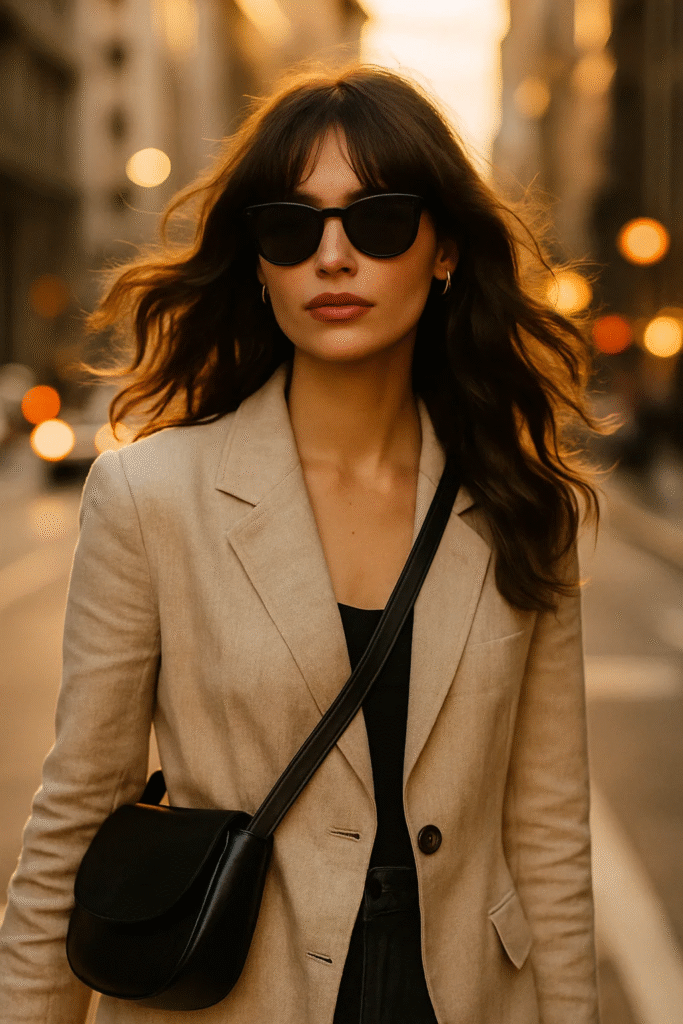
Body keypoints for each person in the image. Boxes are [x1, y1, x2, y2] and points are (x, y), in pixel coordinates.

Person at [0, 64, 604, 1024]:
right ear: (258, 259)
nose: (333, 256)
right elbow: (76, 818)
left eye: (377, 221)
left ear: (442, 249)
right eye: (293, 225)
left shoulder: (519, 507)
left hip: (465, 995)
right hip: (237, 997)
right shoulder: (150, 497)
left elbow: (547, 837)